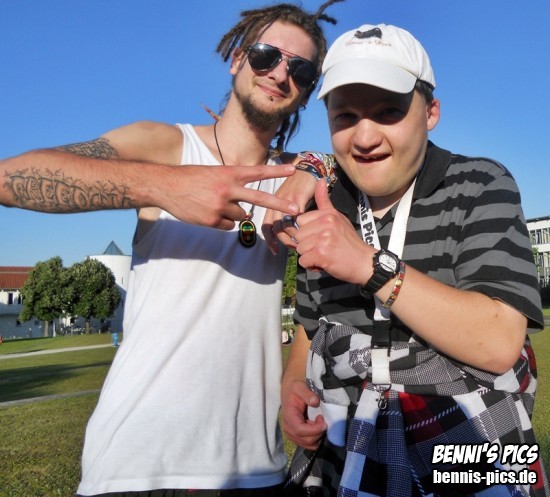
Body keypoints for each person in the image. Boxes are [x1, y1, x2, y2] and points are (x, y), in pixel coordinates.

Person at [0, 2, 344, 496]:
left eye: (301, 69)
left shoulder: (297, 179)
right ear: (238, 59)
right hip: (135, 465)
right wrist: (166, 187)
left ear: (307, 91)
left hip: (253, 467)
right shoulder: (166, 146)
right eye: (267, 55)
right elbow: (12, 179)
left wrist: (314, 166)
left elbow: (354, 165)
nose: (279, 73)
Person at [280, 24, 549, 496]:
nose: (365, 137)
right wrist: (291, 386)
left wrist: (369, 265)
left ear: (431, 112)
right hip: (344, 458)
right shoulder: (322, 206)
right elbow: (309, 325)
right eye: (345, 116)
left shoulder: (479, 184)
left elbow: (498, 342)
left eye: (388, 111)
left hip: (469, 456)